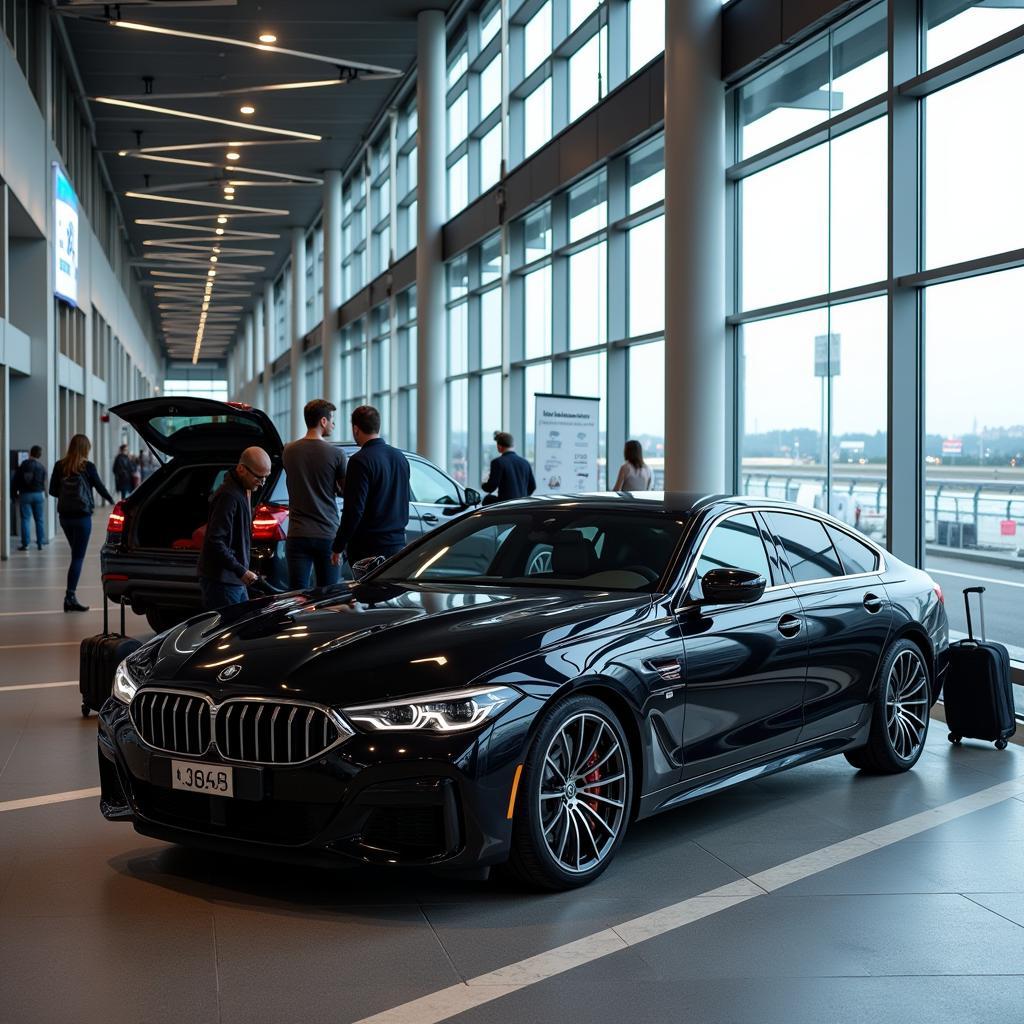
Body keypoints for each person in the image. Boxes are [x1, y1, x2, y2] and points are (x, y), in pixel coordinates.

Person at [331, 406, 410, 570]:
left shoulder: (359, 461)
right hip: (397, 546)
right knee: (390, 594)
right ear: (378, 427)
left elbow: (354, 510)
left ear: (355, 429)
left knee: (367, 594)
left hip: (368, 549)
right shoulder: (400, 457)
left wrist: (338, 546)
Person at [283, 398, 348, 590]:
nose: (334, 424)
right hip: (327, 533)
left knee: (297, 594)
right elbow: (345, 491)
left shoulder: (289, 450)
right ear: (323, 421)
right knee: (328, 594)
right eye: (332, 420)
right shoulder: (337, 454)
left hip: (297, 533)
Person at [197, 446, 272, 611]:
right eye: (259, 477)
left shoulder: (243, 489)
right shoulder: (229, 496)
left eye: (266, 477)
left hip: (233, 579)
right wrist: (241, 571)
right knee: (229, 633)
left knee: (240, 627)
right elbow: (215, 541)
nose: (262, 483)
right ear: (241, 469)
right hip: (222, 580)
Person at [49, 434, 115, 612]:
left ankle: (70, 596)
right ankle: (70, 597)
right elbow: (100, 487)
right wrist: (112, 501)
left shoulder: (59, 465)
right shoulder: (88, 467)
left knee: (75, 556)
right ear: (86, 449)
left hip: (64, 517)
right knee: (77, 558)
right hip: (82, 517)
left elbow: (52, 491)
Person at [481, 431, 536, 503]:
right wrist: (521, 498)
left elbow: (491, 487)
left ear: (499, 446)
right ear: (513, 446)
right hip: (521, 505)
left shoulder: (498, 462)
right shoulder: (525, 463)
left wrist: (483, 485)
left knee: (487, 499)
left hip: (505, 506)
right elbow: (532, 486)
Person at [14, 445, 47, 551]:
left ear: (30, 453)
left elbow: (15, 480)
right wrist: (45, 494)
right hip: (38, 494)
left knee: (25, 519)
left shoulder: (22, 465)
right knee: (39, 520)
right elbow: (44, 482)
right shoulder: (41, 467)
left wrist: (14, 494)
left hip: (25, 495)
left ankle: (26, 544)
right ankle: (40, 543)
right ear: (40, 455)